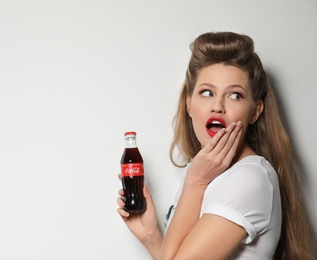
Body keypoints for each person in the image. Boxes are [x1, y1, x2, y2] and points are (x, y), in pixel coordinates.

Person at [116, 31, 313, 259]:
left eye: (235, 95)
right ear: (189, 104)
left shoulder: (248, 178)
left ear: (255, 111)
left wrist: (195, 182)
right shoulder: (205, 172)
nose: (217, 106)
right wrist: (150, 235)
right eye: (207, 92)